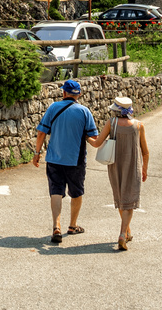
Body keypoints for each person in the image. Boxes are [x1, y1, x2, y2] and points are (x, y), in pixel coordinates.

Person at [32, 78, 98, 244]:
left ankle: (56, 226)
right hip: (75, 160)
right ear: (79, 94)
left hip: (54, 158)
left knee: (56, 191)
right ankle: (73, 225)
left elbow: (41, 133)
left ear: (63, 93)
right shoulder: (84, 112)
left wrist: (37, 152)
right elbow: (93, 137)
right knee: (77, 192)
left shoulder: (53, 107)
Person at [88, 95, 148, 251]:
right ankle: (123, 233)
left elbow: (96, 143)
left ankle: (126, 232)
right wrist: (145, 169)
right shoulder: (139, 125)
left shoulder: (111, 123)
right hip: (133, 167)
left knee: (122, 199)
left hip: (115, 166)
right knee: (129, 201)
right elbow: (145, 151)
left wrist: (85, 135)